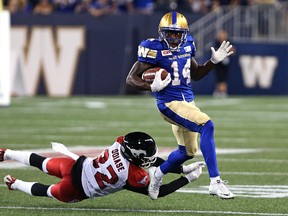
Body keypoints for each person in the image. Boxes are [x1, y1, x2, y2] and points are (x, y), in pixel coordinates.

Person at [126, 12, 235, 199]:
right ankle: (215, 182)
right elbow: (130, 79)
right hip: (169, 103)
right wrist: (150, 86)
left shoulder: (188, 44)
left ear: (184, 34)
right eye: (170, 33)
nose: (174, 37)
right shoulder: (152, 48)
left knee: (187, 152)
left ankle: (157, 175)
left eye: (178, 34)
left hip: (187, 103)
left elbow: (197, 74)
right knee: (206, 125)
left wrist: (213, 62)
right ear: (162, 32)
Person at [1, 131, 205, 202]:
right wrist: (186, 178)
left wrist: (180, 168)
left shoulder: (119, 143)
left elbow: (148, 162)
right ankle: (15, 184)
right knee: (47, 191)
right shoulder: (130, 175)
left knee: (42, 161)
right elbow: (158, 192)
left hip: (74, 166)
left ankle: (6, 153)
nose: (150, 160)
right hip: (77, 190)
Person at [213, 29, 234, 98]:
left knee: (223, 77)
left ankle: (223, 91)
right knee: (219, 77)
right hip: (218, 62)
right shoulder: (217, 42)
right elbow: (214, 51)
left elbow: (233, 50)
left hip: (225, 62)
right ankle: (219, 91)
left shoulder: (228, 42)